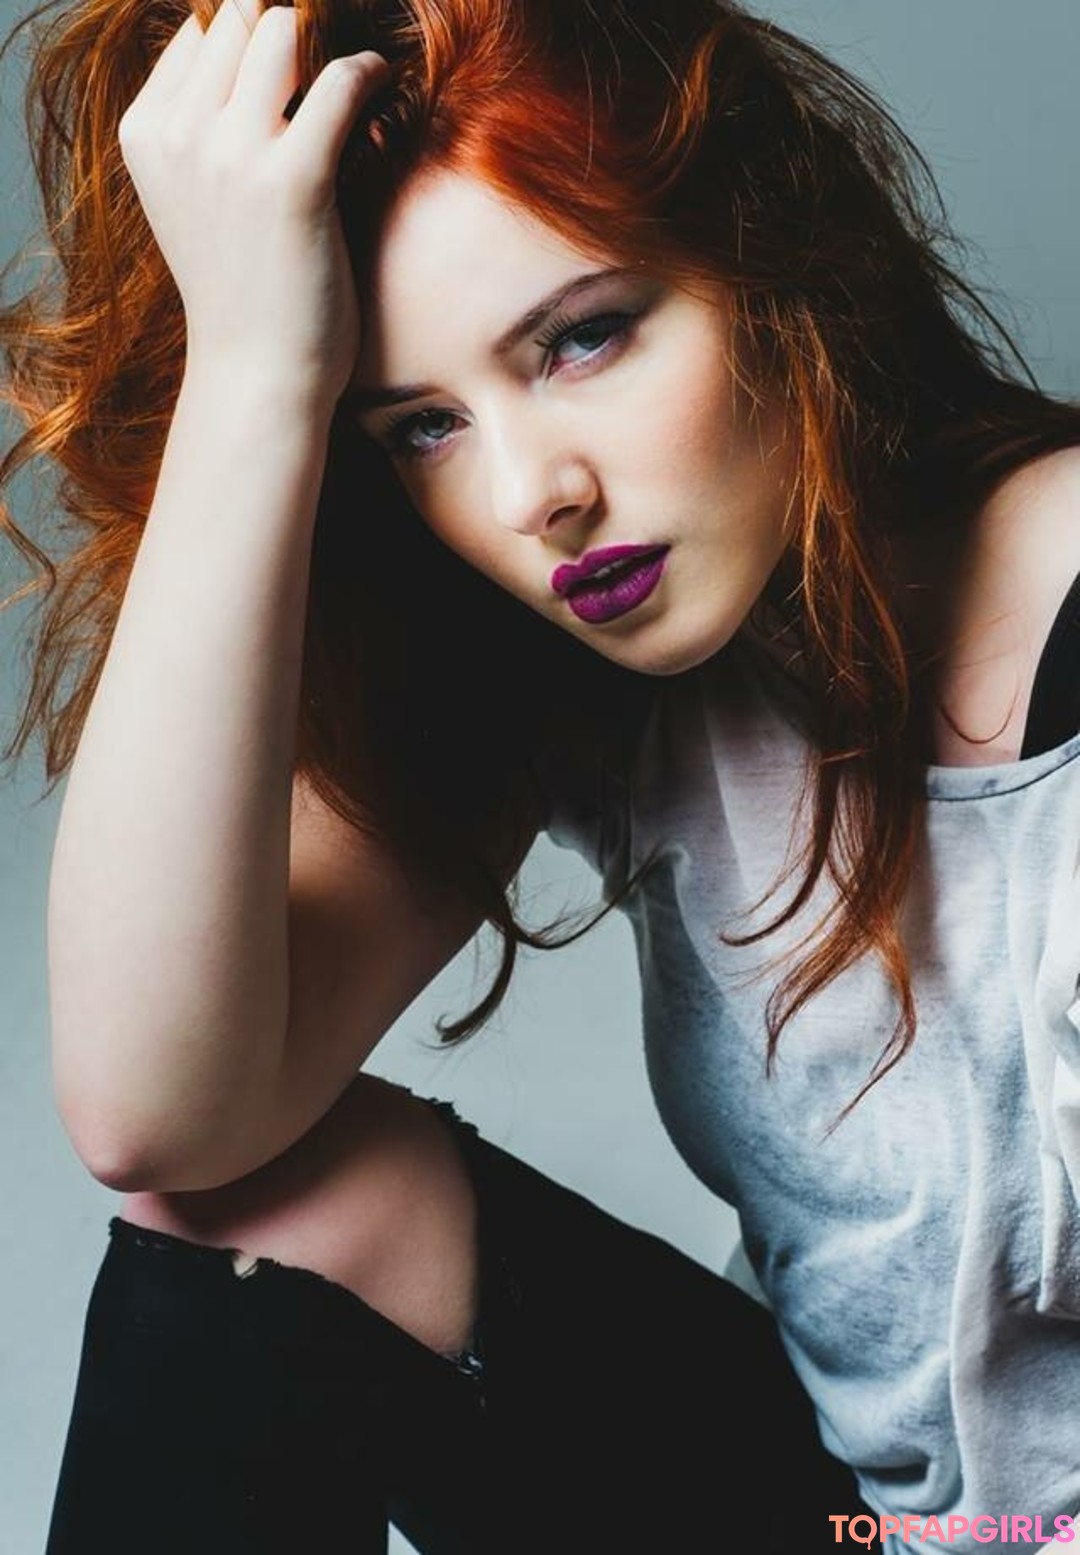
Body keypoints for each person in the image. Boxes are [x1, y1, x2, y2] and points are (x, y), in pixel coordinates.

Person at [2, 0, 1079, 1549]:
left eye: (582, 338)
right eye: (422, 428)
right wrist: (250, 375)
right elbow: (159, 1117)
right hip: (858, 1519)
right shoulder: (608, 665)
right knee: (265, 1213)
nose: (530, 496)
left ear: (775, 255)